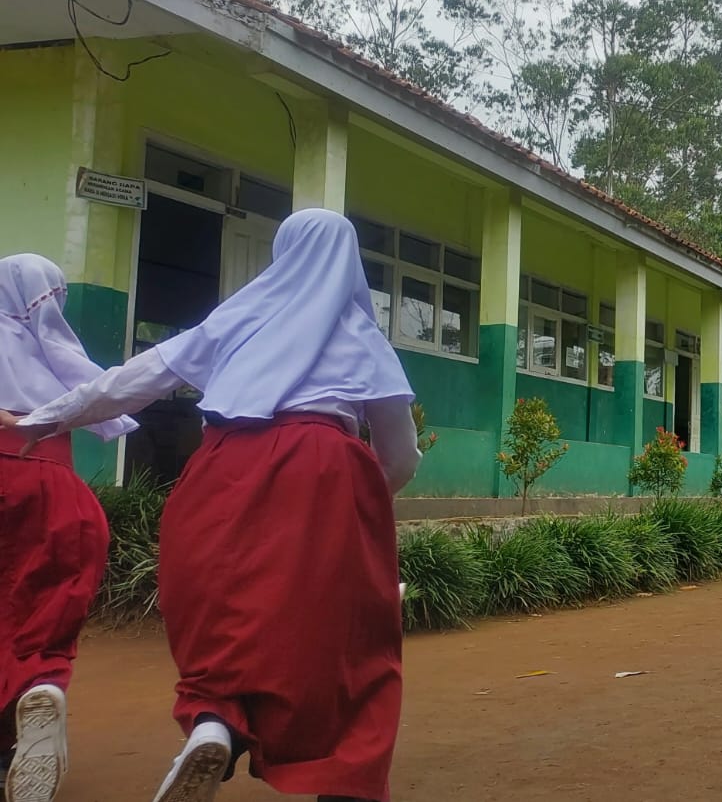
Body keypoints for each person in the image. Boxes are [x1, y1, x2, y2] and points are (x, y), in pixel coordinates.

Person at [1, 210, 422, 802]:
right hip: (328, 466)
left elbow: (132, 381)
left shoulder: (239, 315)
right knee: (349, 630)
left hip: (223, 464)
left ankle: (214, 720)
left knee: (222, 602)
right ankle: (344, 778)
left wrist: (42, 420)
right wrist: (358, 505)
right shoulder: (364, 339)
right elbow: (398, 456)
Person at [0, 254, 138, 802]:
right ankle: (39, 683)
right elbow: (103, 392)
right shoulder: (52, 349)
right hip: (47, 479)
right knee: (45, 601)